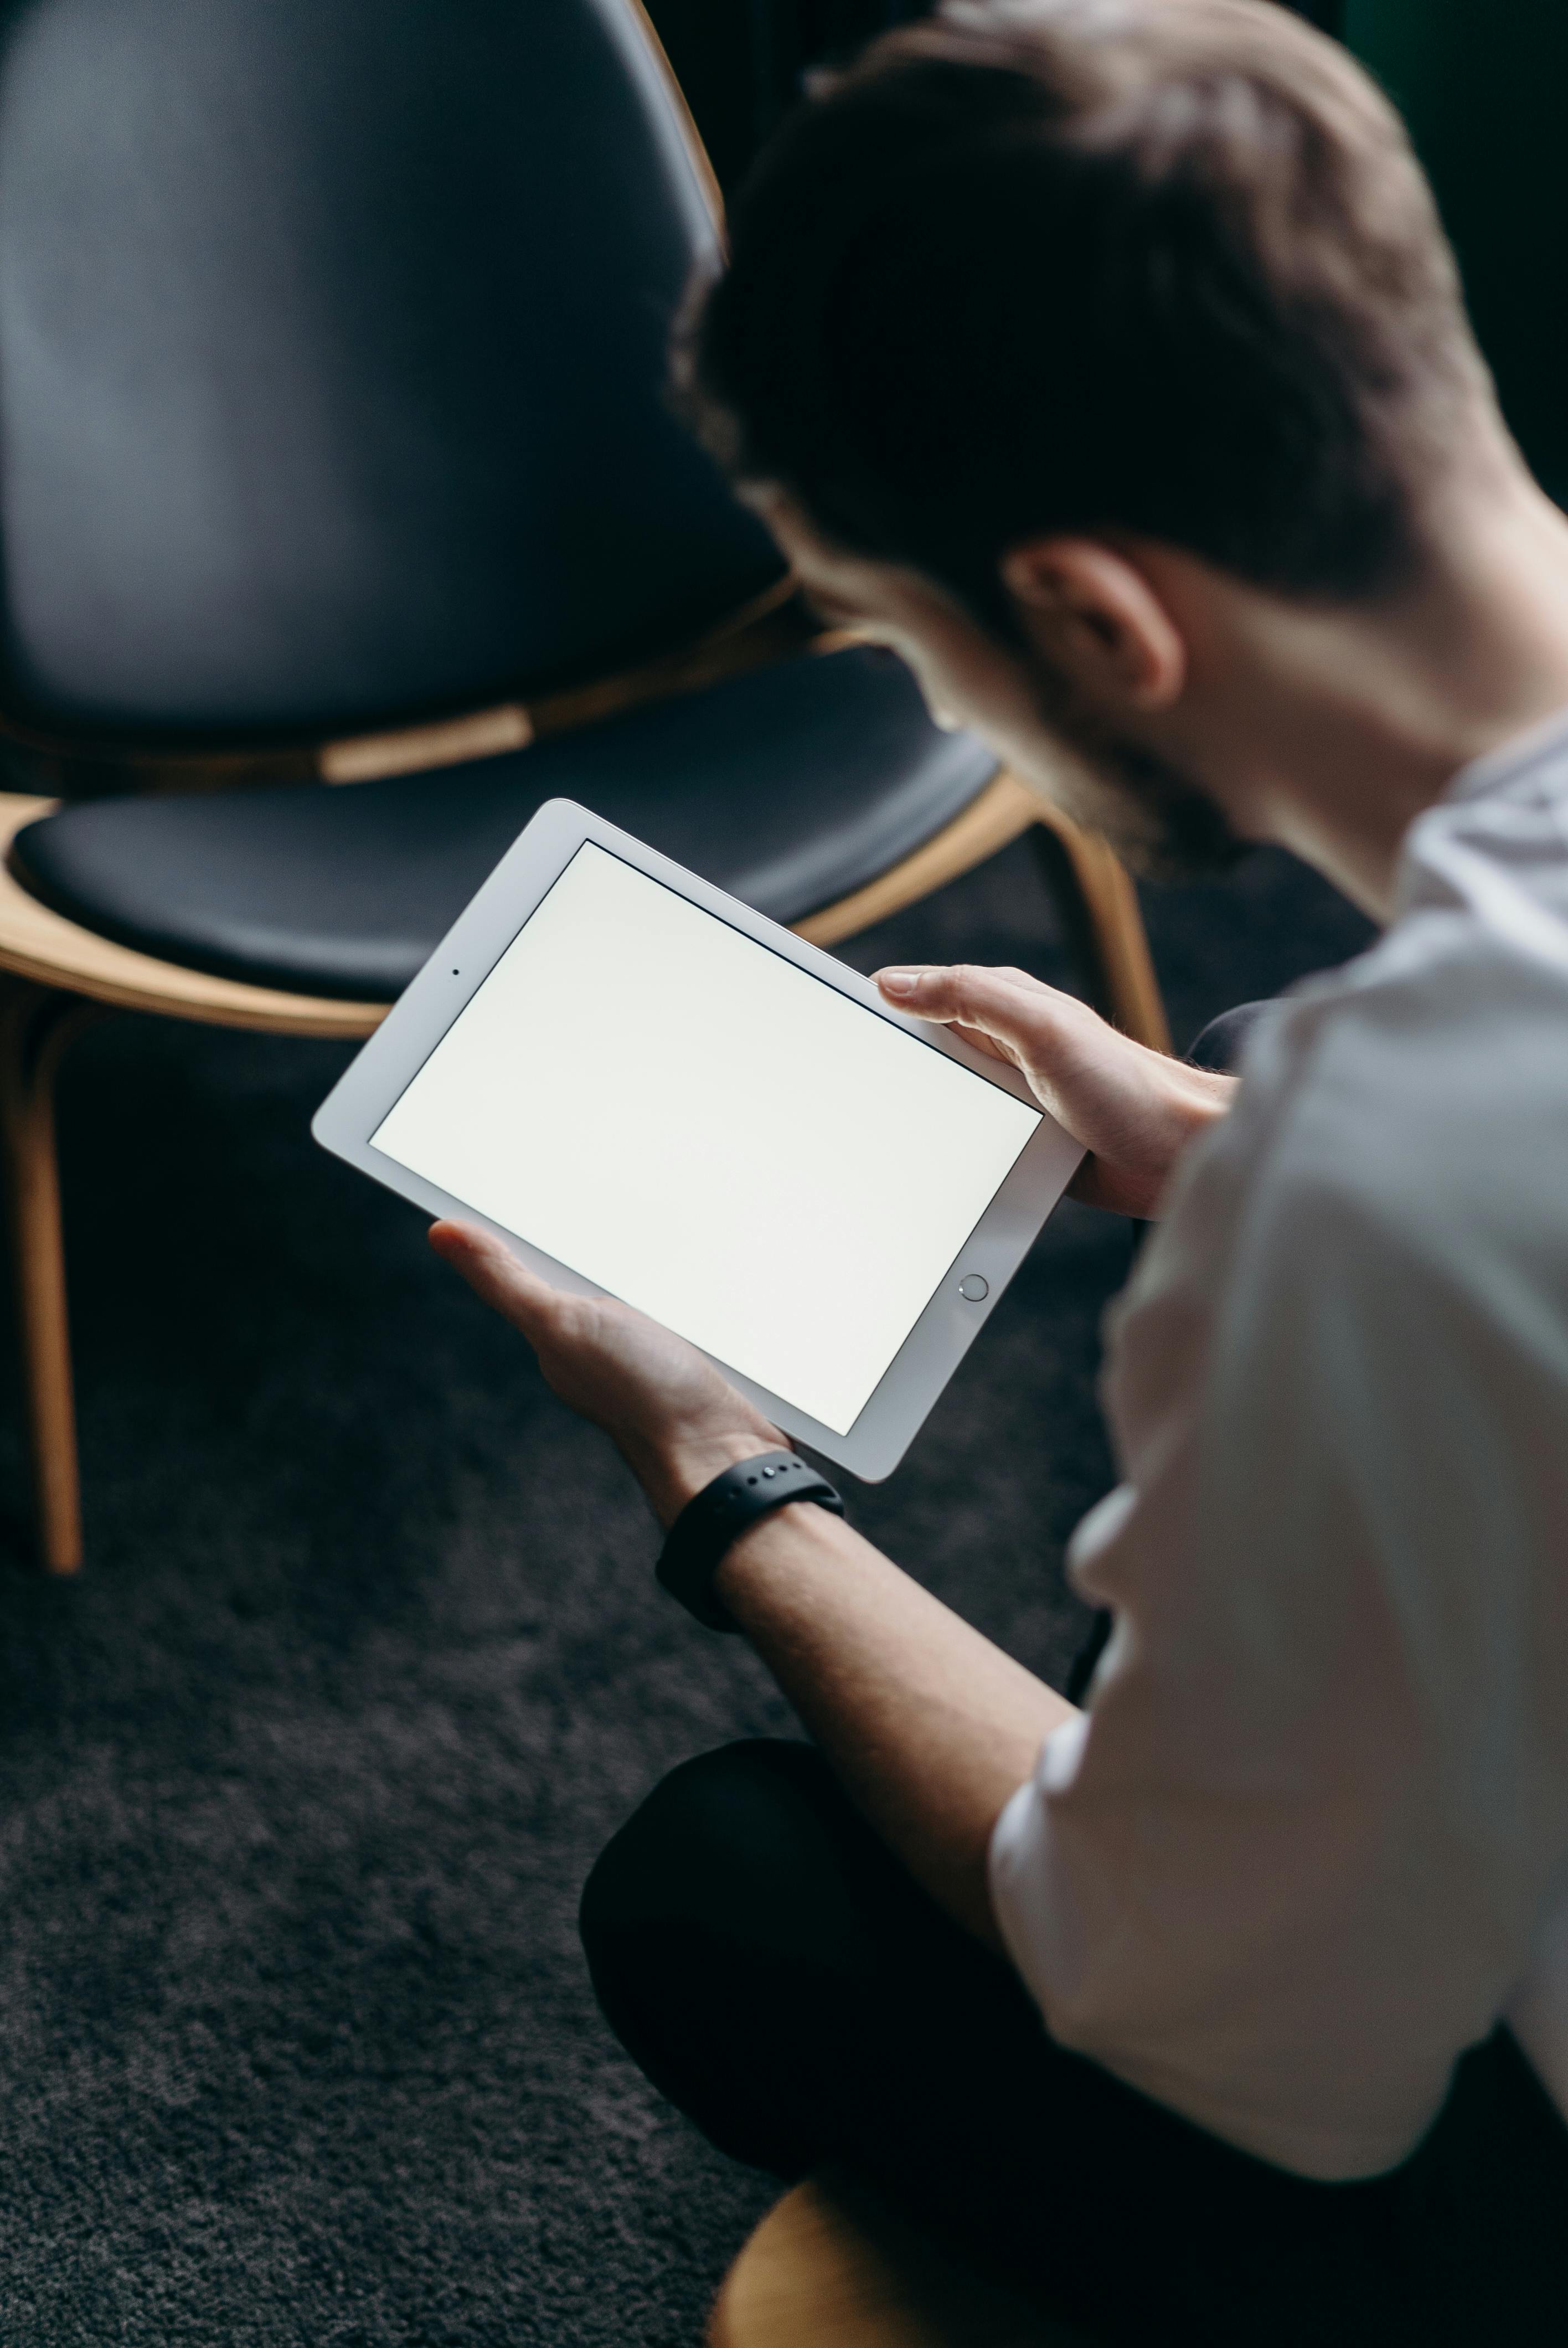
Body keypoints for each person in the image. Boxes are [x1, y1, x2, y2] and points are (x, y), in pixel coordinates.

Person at [430, 3, 1568, 2337]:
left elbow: (1257, 2051)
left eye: (918, 643)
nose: (954, 704)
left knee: (726, 1881)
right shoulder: (1394, 1128)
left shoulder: (1387, 1182)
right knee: (1249, 1064)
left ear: (1086, 615)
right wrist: (1224, 1147)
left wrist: (722, 1476)